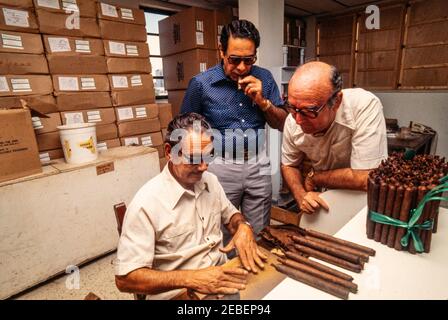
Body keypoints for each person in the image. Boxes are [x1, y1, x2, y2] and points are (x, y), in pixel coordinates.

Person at [115, 113, 267, 299]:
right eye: (194, 158)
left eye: (209, 155)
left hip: (221, 277)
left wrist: (243, 226)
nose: (204, 167)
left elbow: (231, 216)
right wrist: (192, 278)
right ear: (169, 152)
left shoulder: (210, 181)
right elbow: (125, 279)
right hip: (180, 293)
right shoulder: (146, 204)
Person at [181, 19, 288, 242]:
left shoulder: (265, 78)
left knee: (259, 233)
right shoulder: (201, 84)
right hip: (219, 165)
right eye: (234, 60)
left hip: (259, 164)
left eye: (248, 60)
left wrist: (263, 102)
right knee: (222, 232)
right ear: (221, 51)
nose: (241, 67)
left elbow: (283, 123)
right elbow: (184, 130)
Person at [281, 61, 388, 215]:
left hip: (362, 198)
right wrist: (301, 196)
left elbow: (367, 177)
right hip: (323, 197)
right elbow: (289, 165)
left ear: (336, 101)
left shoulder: (364, 106)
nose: (298, 120)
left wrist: (316, 178)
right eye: (292, 108)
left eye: (309, 111)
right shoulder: (293, 120)